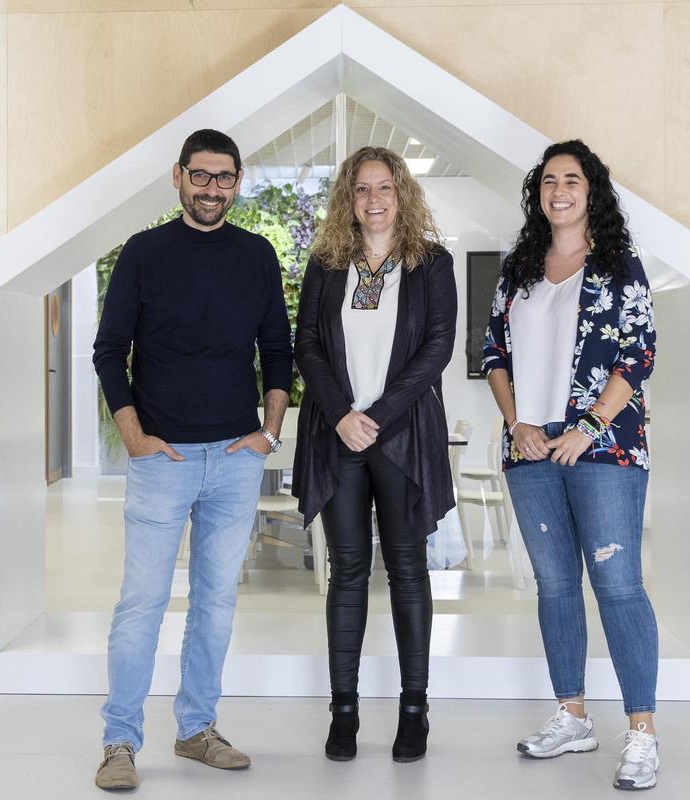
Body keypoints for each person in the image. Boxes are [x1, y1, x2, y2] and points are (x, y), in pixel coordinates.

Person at [91, 129, 292, 790]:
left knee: (216, 606)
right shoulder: (144, 255)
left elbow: (278, 350)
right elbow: (108, 348)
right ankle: (120, 742)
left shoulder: (257, 255)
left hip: (235, 458)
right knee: (142, 603)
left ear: (238, 181)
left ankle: (196, 730)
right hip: (163, 460)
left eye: (224, 178)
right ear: (178, 176)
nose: (211, 189)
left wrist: (269, 431)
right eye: (200, 176)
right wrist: (134, 436)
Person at [481, 139, 660, 790]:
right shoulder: (518, 270)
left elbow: (638, 353)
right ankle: (572, 716)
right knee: (555, 587)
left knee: (617, 586)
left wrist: (587, 426)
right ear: (538, 193)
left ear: (592, 192)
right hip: (530, 451)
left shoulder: (618, 263)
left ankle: (642, 734)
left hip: (604, 448)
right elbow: (492, 356)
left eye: (572, 180)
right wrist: (516, 424)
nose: (558, 190)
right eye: (549, 180)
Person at [292, 146, 456, 764]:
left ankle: (414, 712)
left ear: (401, 192)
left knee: (409, 571)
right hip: (338, 438)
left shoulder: (430, 263)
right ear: (348, 199)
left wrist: (378, 417)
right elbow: (306, 342)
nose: (373, 199)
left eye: (383, 187)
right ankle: (344, 712)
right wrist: (340, 414)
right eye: (361, 189)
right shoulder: (327, 262)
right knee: (348, 573)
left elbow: (438, 347)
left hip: (403, 437)